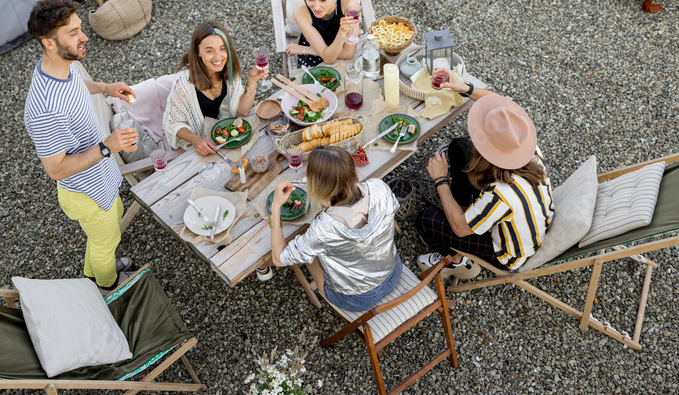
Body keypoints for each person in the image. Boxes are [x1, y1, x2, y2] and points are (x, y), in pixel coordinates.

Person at [23, 0, 138, 294]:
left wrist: (105, 88)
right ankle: (108, 285)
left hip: (101, 178)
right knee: (105, 242)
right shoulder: (44, 109)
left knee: (105, 234)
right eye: (73, 33)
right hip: (85, 192)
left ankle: (93, 273)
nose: (84, 37)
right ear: (49, 42)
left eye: (80, 28)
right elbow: (56, 170)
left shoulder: (62, 65)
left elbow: (76, 85)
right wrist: (107, 147)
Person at [415, 68, 554, 277]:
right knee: (460, 147)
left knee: (425, 220)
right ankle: (462, 210)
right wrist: (464, 88)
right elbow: (502, 106)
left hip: (507, 252)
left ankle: (456, 262)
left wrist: (441, 180)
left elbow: (461, 229)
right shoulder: (527, 149)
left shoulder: (500, 195)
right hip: (524, 216)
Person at [270, 147, 403, 312]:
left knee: (307, 250)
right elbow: (393, 208)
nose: (304, 170)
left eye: (309, 169)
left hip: (356, 299)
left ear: (322, 186)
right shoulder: (379, 187)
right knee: (314, 244)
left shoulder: (324, 228)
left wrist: (276, 206)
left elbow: (278, 259)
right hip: (393, 272)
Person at [163, 21, 268, 155]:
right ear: (198, 52)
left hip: (223, 138)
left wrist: (252, 80)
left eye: (222, 48)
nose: (218, 57)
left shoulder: (229, 71)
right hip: (195, 145)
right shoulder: (184, 83)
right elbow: (171, 124)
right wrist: (195, 139)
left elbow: (243, 111)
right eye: (209, 51)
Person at [284, 0, 360, 68]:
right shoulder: (300, 12)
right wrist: (342, 31)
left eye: (323, 0)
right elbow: (329, 59)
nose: (316, 7)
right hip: (314, 49)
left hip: (336, 47)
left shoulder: (348, 1)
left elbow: (348, 54)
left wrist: (303, 50)